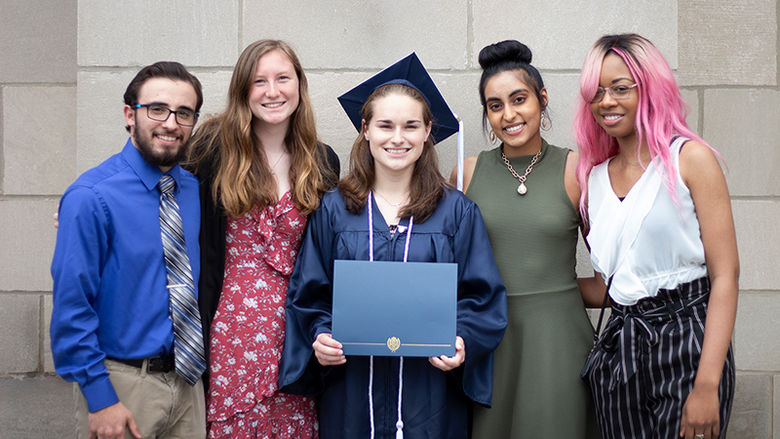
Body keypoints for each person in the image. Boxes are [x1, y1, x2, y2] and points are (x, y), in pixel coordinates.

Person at [278, 53, 507, 439]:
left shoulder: (457, 213)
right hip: (351, 393)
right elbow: (308, 295)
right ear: (365, 129)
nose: (397, 138)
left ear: (427, 132)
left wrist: (462, 340)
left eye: (410, 126)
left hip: (429, 396)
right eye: (385, 125)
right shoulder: (334, 210)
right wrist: (320, 335)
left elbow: (482, 297)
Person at [574, 33, 737, 439]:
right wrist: (527, 285)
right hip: (621, 346)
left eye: (620, 88)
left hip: (687, 339)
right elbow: (607, 287)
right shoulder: (592, 180)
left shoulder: (691, 160)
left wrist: (706, 385)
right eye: (596, 92)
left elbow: (726, 277)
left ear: (650, 88)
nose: (606, 101)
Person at [184, 40, 339, 438]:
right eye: (259, 81)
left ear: (299, 85)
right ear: (242, 90)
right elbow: (157, 175)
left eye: (283, 78)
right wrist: (89, 202)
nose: (273, 91)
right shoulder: (211, 148)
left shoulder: (321, 160)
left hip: (298, 331)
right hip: (230, 328)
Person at [449, 40, 598, 438]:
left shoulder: (576, 170)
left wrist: (554, 292)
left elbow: (608, 284)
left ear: (542, 99)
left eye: (519, 99)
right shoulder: (465, 174)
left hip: (559, 343)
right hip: (488, 342)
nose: (509, 115)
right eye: (495, 106)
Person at [51, 61, 206, 439]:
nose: (170, 123)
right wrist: (100, 398)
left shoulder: (193, 191)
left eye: (183, 113)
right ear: (129, 115)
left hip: (189, 384)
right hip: (123, 384)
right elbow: (72, 307)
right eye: (157, 109)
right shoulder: (91, 197)